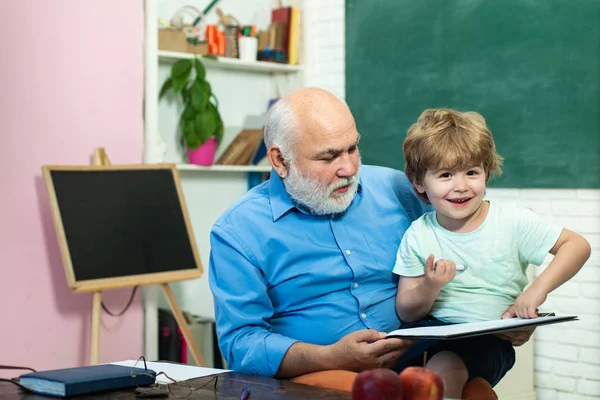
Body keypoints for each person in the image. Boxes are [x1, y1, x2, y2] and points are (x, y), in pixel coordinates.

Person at [208, 88, 532, 398]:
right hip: (322, 374)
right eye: (329, 157)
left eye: (352, 148)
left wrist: (505, 311)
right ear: (280, 161)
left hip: (425, 356)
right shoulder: (238, 232)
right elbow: (242, 344)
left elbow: (466, 249)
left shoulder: (397, 189)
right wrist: (330, 356)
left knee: (488, 350)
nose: (348, 168)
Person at [393, 108, 591, 399]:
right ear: (420, 183)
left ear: (486, 172)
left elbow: (577, 246)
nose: (461, 186)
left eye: (472, 172)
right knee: (433, 377)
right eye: (446, 175)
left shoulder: (512, 221)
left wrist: (535, 292)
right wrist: (430, 285)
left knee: (446, 365)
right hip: (431, 335)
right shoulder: (418, 234)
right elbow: (406, 311)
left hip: (489, 340)